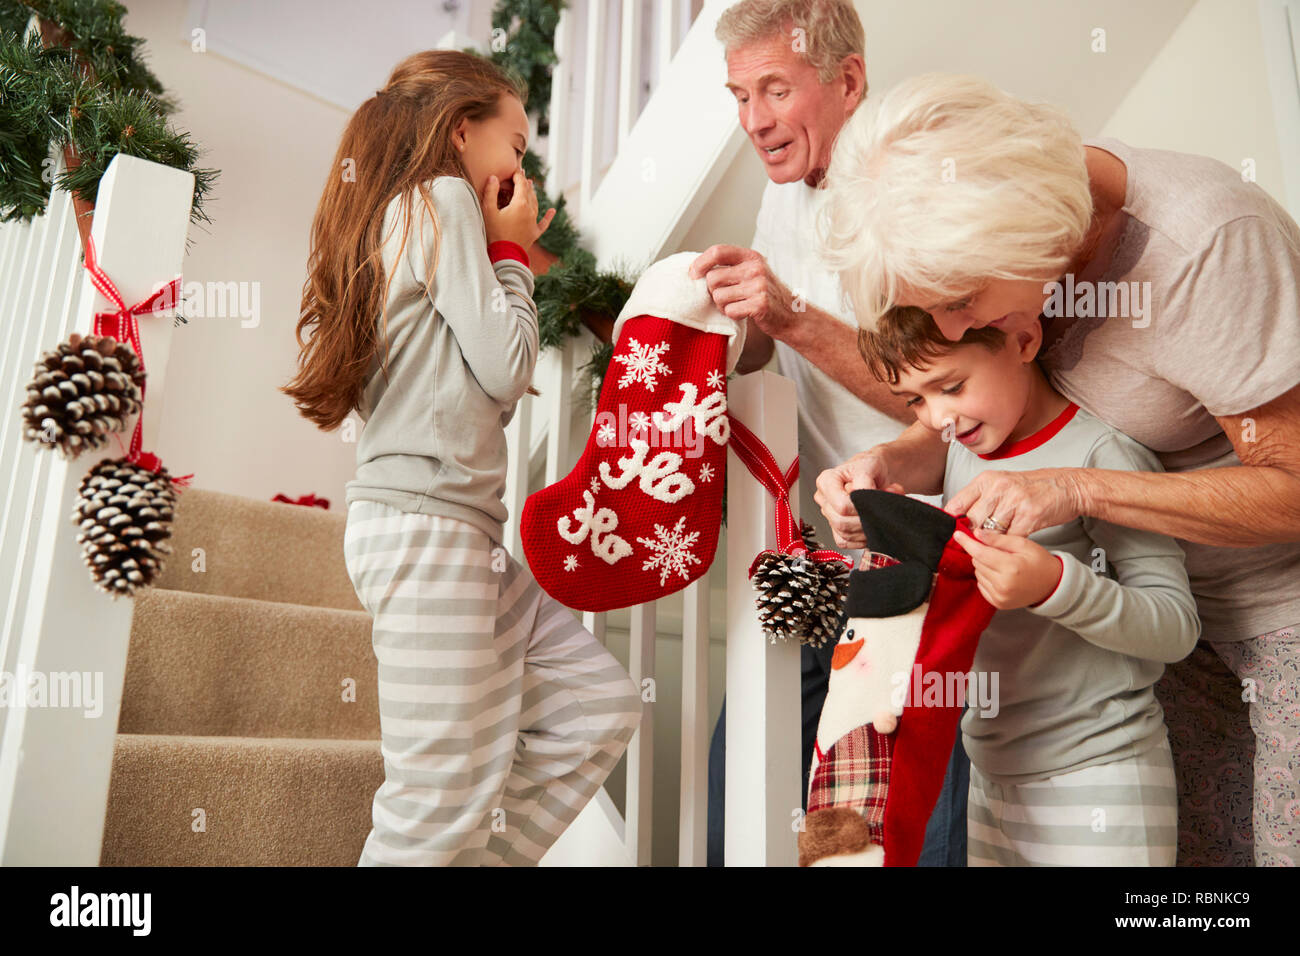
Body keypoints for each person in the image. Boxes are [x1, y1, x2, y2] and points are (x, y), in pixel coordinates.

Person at [815, 72, 1300, 866]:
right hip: (1160, 640)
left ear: (1024, 235)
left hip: (1281, 607)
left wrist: (1077, 489)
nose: (949, 326)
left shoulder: (1205, 243)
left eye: (962, 302)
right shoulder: (1009, 286)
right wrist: (889, 461)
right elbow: (991, 413)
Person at [281, 50, 642, 866]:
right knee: (434, 800)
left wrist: (501, 251)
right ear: (460, 131)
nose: (522, 164)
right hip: (426, 532)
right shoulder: (438, 198)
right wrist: (513, 251)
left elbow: (480, 383)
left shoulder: (420, 220)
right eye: (515, 144)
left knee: (595, 705)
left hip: (461, 538)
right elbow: (510, 365)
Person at [688, 0, 970, 866]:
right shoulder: (786, 198)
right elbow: (786, 336)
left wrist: (793, 315)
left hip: (919, 554)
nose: (754, 121)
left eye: (776, 89)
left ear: (847, 80)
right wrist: (735, 322)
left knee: (905, 809)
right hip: (815, 550)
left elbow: (945, 404)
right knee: (745, 778)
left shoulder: (913, 197)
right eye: (740, 96)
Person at [857, 305, 1199, 864]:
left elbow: (1175, 626)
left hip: (1100, 775)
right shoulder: (963, 455)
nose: (939, 417)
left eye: (951, 386)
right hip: (990, 775)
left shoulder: (1103, 457)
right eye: (916, 400)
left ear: (1022, 340)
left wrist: (1054, 586)